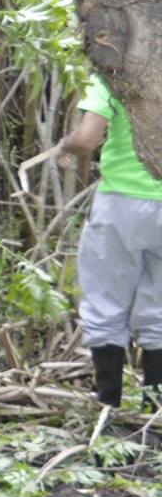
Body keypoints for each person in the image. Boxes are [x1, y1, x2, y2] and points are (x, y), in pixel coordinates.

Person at [48, 73, 162, 405]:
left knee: (104, 305)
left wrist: (63, 145)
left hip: (121, 205)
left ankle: (108, 407)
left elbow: (86, 140)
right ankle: (154, 415)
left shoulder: (116, 74)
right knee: (159, 311)